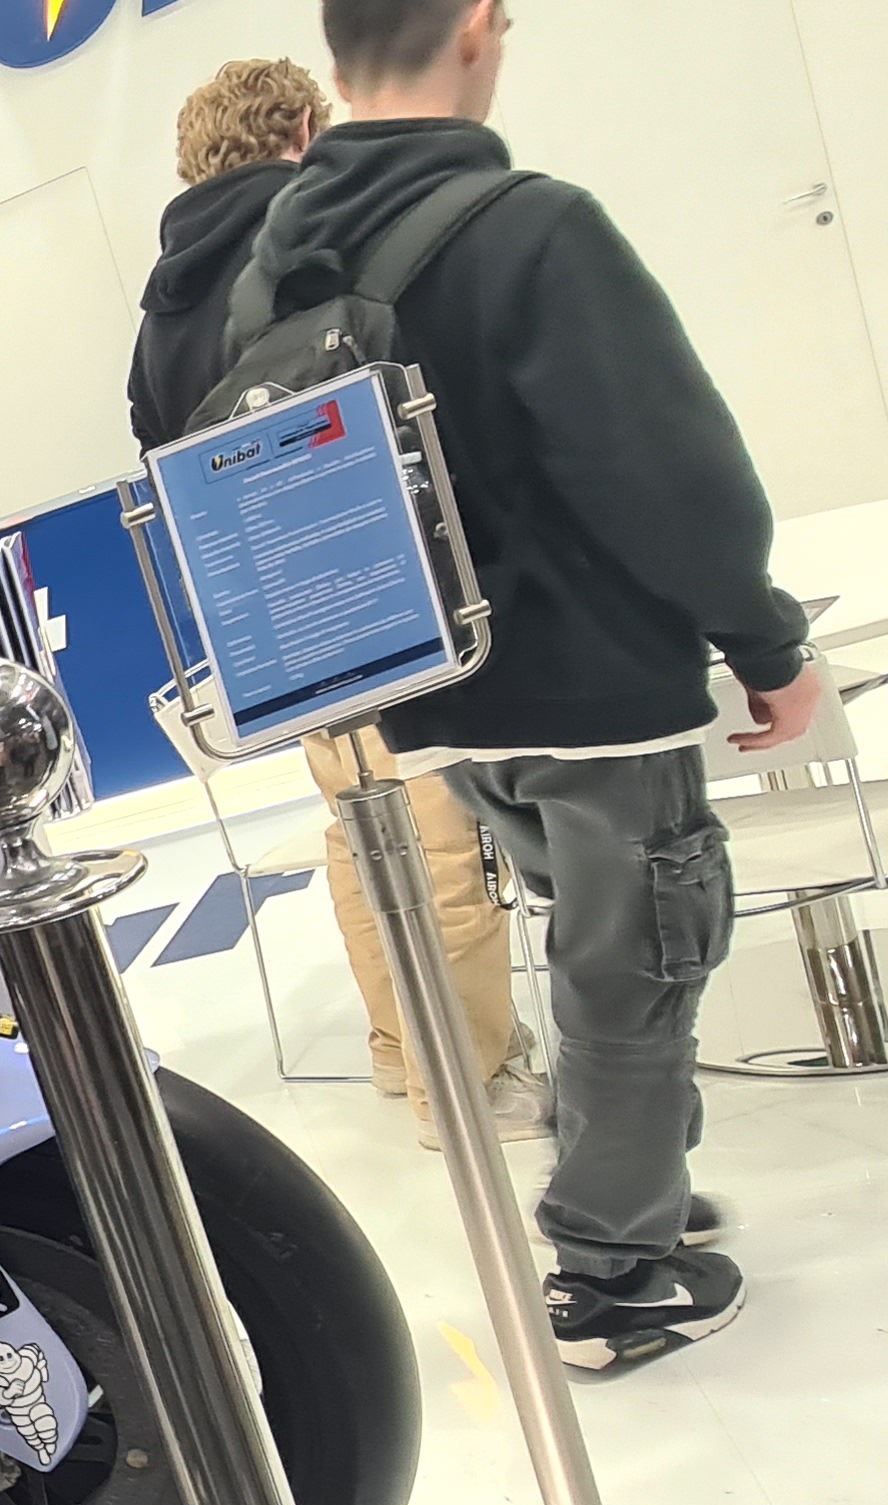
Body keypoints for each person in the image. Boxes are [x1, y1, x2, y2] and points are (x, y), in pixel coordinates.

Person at [262, 0, 822, 1370]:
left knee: (588, 937)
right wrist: (763, 640)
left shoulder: (277, 263)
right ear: (472, 29)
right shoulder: (532, 228)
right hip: (596, 687)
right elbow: (664, 469)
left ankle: (630, 1185)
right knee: (636, 964)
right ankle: (614, 1278)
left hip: (435, 691)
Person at [130, 56, 546, 1152]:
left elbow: (160, 452)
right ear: (304, 131)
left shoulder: (161, 308)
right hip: (383, 581)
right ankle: (469, 1082)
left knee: (361, 829)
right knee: (438, 833)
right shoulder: (317, 246)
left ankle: (402, 1048)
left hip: (273, 619)